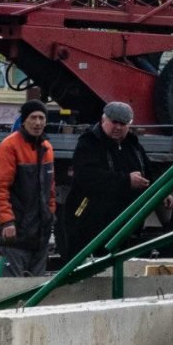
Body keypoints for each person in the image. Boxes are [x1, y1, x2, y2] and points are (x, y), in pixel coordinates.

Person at [63, 101, 151, 262]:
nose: (118, 127)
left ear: (129, 125)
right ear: (104, 120)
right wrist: (126, 181)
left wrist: (163, 193)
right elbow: (87, 177)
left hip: (123, 225)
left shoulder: (133, 145)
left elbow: (149, 171)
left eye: (123, 124)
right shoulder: (88, 143)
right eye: (114, 122)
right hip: (89, 223)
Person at [0, 101, 56, 276]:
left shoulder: (46, 147)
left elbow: (51, 188)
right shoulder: (9, 147)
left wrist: (50, 214)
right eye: (33, 117)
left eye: (41, 118)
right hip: (15, 231)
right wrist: (6, 222)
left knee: (34, 286)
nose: (38, 123)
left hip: (39, 232)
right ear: (24, 120)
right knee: (12, 286)